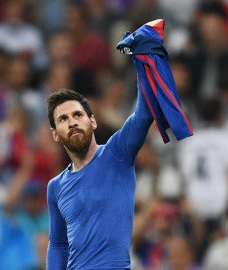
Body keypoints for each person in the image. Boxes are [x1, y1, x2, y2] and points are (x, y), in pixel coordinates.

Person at [45, 85, 153, 269]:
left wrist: (142, 62)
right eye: (63, 119)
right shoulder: (55, 187)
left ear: (93, 122)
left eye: (77, 115)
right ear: (55, 134)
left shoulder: (118, 153)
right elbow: (58, 245)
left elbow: (143, 116)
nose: (72, 122)